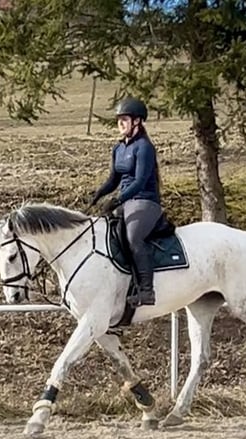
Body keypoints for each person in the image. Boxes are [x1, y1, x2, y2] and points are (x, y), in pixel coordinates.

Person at [89, 97, 163, 307]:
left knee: (133, 238)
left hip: (145, 202)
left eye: (124, 119)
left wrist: (118, 199)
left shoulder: (144, 147)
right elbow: (114, 179)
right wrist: (98, 194)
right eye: (119, 120)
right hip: (126, 202)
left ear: (137, 122)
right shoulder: (118, 149)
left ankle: (147, 291)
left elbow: (140, 182)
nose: (120, 123)